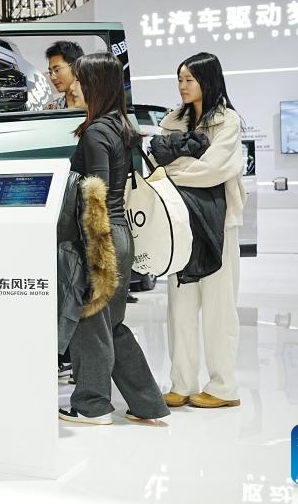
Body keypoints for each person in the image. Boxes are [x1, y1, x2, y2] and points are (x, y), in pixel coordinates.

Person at [59, 53, 169, 426]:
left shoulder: (95, 132)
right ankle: (147, 403)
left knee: (91, 322)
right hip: (121, 238)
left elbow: (97, 197)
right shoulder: (121, 125)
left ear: (96, 85)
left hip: (101, 238)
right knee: (112, 325)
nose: (74, 86)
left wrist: (95, 256)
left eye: (80, 80)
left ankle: (92, 406)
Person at [160, 52, 246, 410]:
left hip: (219, 224)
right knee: (179, 307)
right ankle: (182, 383)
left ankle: (224, 387)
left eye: (189, 80)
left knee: (219, 307)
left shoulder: (227, 121)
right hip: (179, 225)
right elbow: (158, 158)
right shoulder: (171, 120)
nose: (182, 86)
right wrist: (180, 165)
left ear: (207, 80)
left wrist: (174, 169)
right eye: (179, 79)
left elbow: (215, 169)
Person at [44, 40, 84, 109]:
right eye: (50, 72)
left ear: (75, 66)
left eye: (57, 70)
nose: (52, 77)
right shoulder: (53, 109)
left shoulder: (94, 105)